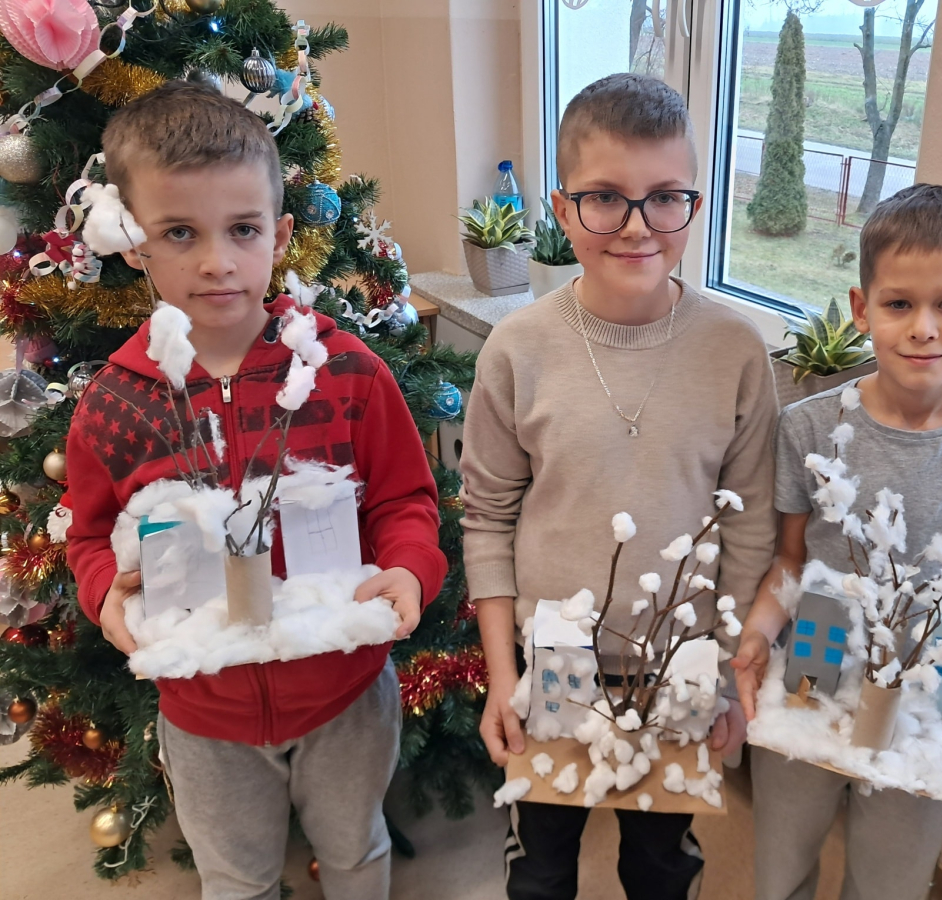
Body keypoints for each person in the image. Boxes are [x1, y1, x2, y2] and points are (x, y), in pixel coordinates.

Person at [65, 80, 446, 900]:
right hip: (204, 712)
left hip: (346, 692)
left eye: (243, 229)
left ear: (280, 234)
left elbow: (404, 501)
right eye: (180, 232)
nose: (217, 261)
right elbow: (89, 535)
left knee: (355, 851)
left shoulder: (349, 372)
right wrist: (105, 596)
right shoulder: (115, 406)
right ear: (134, 243)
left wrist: (410, 567)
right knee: (236, 877)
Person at [460, 72, 777, 900]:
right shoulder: (517, 350)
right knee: (540, 868)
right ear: (562, 210)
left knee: (662, 867)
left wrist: (733, 674)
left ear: (695, 205)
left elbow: (749, 530)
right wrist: (502, 675)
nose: (637, 226)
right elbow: (487, 518)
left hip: (681, 667)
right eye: (606, 198)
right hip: (553, 664)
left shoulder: (736, 351)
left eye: (665, 197)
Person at [733, 183, 942, 900]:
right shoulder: (809, 429)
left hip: (940, 677)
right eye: (898, 304)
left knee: (892, 875)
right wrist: (757, 633)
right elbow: (791, 560)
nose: (923, 328)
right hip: (818, 651)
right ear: (862, 309)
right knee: (782, 858)